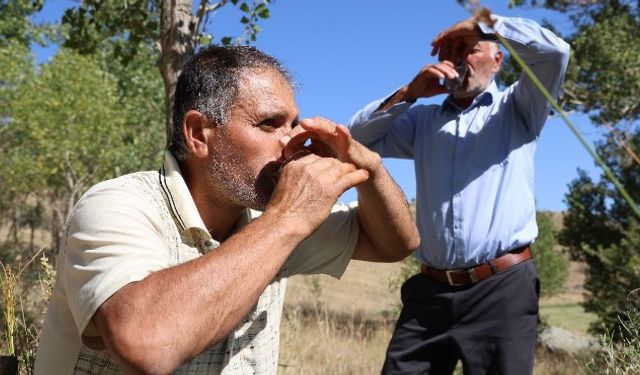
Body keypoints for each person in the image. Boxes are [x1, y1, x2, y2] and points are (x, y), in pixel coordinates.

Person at [34, 45, 419, 375]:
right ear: (199, 133)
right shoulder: (119, 204)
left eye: (293, 124)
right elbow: (146, 345)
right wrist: (286, 220)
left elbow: (395, 243)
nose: (293, 142)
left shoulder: (265, 220)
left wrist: (371, 169)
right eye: (269, 124)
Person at [347, 12, 570, 375]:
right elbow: (356, 139)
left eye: (469, 47)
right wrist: (409, 94)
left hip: (501, 290)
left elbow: (555, 53)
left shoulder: (519, 107)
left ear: (498, 61)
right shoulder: (423, 121)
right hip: (431, 292)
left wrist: (486, 24)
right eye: (449, 50)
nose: (457, 58)